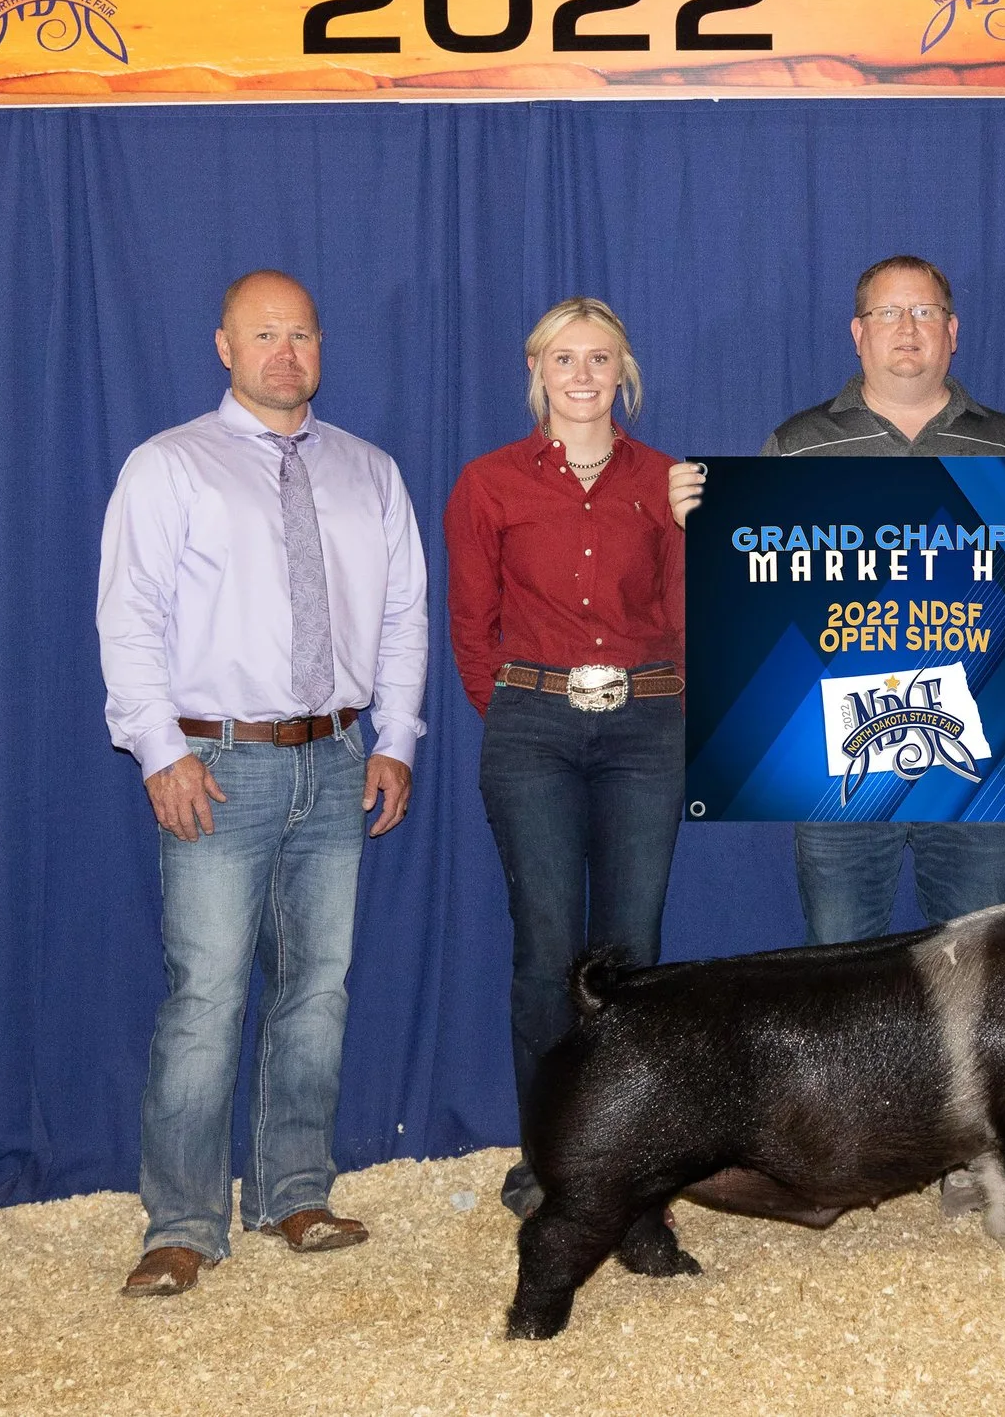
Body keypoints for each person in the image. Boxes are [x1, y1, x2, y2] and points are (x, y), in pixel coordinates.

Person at [672, 253, 1005, 1219]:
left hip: (977, 759)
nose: (908, 329)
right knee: (842, 961)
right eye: (889, 313)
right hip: (838, 763)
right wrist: (705, 523)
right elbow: (761, 588)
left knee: (981, 964)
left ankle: (970, 1151)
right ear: (858, 333)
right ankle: (844, 1156)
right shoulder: (798, 447)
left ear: (954, 331)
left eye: (926, 312)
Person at [98, 270, 429, 1298]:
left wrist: (397, 736)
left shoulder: (370, 471)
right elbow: (129, 615)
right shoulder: (168, 465)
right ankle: (183, 1224)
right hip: (219, 765)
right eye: (264, 334)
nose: (285, 352)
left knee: (316, 991)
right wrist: (160, 751)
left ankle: (295, 1189)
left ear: (321, 348)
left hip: (338, 758)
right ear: (224, 346)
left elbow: (404, 616)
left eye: (302, 334)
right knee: (204, 997)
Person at [446, 298, 689, 1221]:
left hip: (646, 727)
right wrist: (519, 706)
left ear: (623, 371)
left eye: (599, 359)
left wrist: (666, 705)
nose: (581, 376)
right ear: (536, 370)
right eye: (563, 359)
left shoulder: (667, 481)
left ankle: (625, 1152)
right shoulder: (489, 484)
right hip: (534, 727)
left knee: (632, 952)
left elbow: (681, 616)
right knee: (548, 946)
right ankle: (549, 1158)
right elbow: (472, 627)